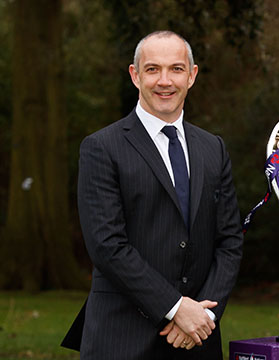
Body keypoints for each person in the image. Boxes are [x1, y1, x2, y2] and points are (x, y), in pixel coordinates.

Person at [61, 31, 243, 360]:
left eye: (175, 69)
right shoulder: (102, 148)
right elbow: (107, 246)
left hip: (197, 341)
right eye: (152, 69)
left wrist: (204, 316)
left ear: (192, 75)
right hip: (122, 340)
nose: (165, 81)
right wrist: (175, 309)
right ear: (135, 75)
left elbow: (229, 241)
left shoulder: (213, 148)